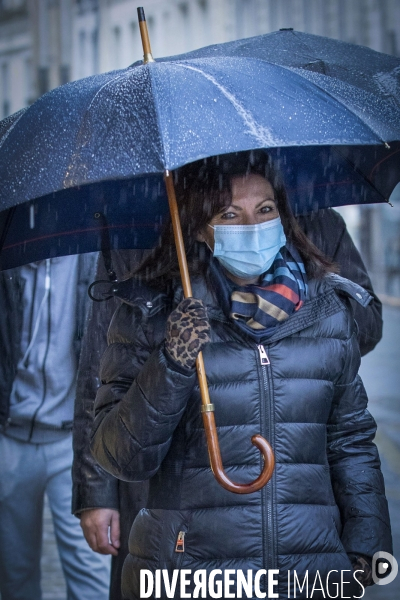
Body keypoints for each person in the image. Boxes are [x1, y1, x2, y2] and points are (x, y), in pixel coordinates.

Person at [88, 150, 392, 599]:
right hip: (188, 573)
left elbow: (351, 439)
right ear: (199, 228)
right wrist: (171, 363)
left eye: (265, 209)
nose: (252, 226)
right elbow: (121, 458)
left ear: (284, 217)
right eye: (230, 213)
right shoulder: (152, 314)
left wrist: (368, 544)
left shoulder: (327, 310)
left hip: (307, 571)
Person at [0, 255, 111, 600]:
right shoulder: (11, 252)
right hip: (8, 436)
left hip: (74, 441)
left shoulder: (97, 259)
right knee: (12, 575)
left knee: (92, 573)